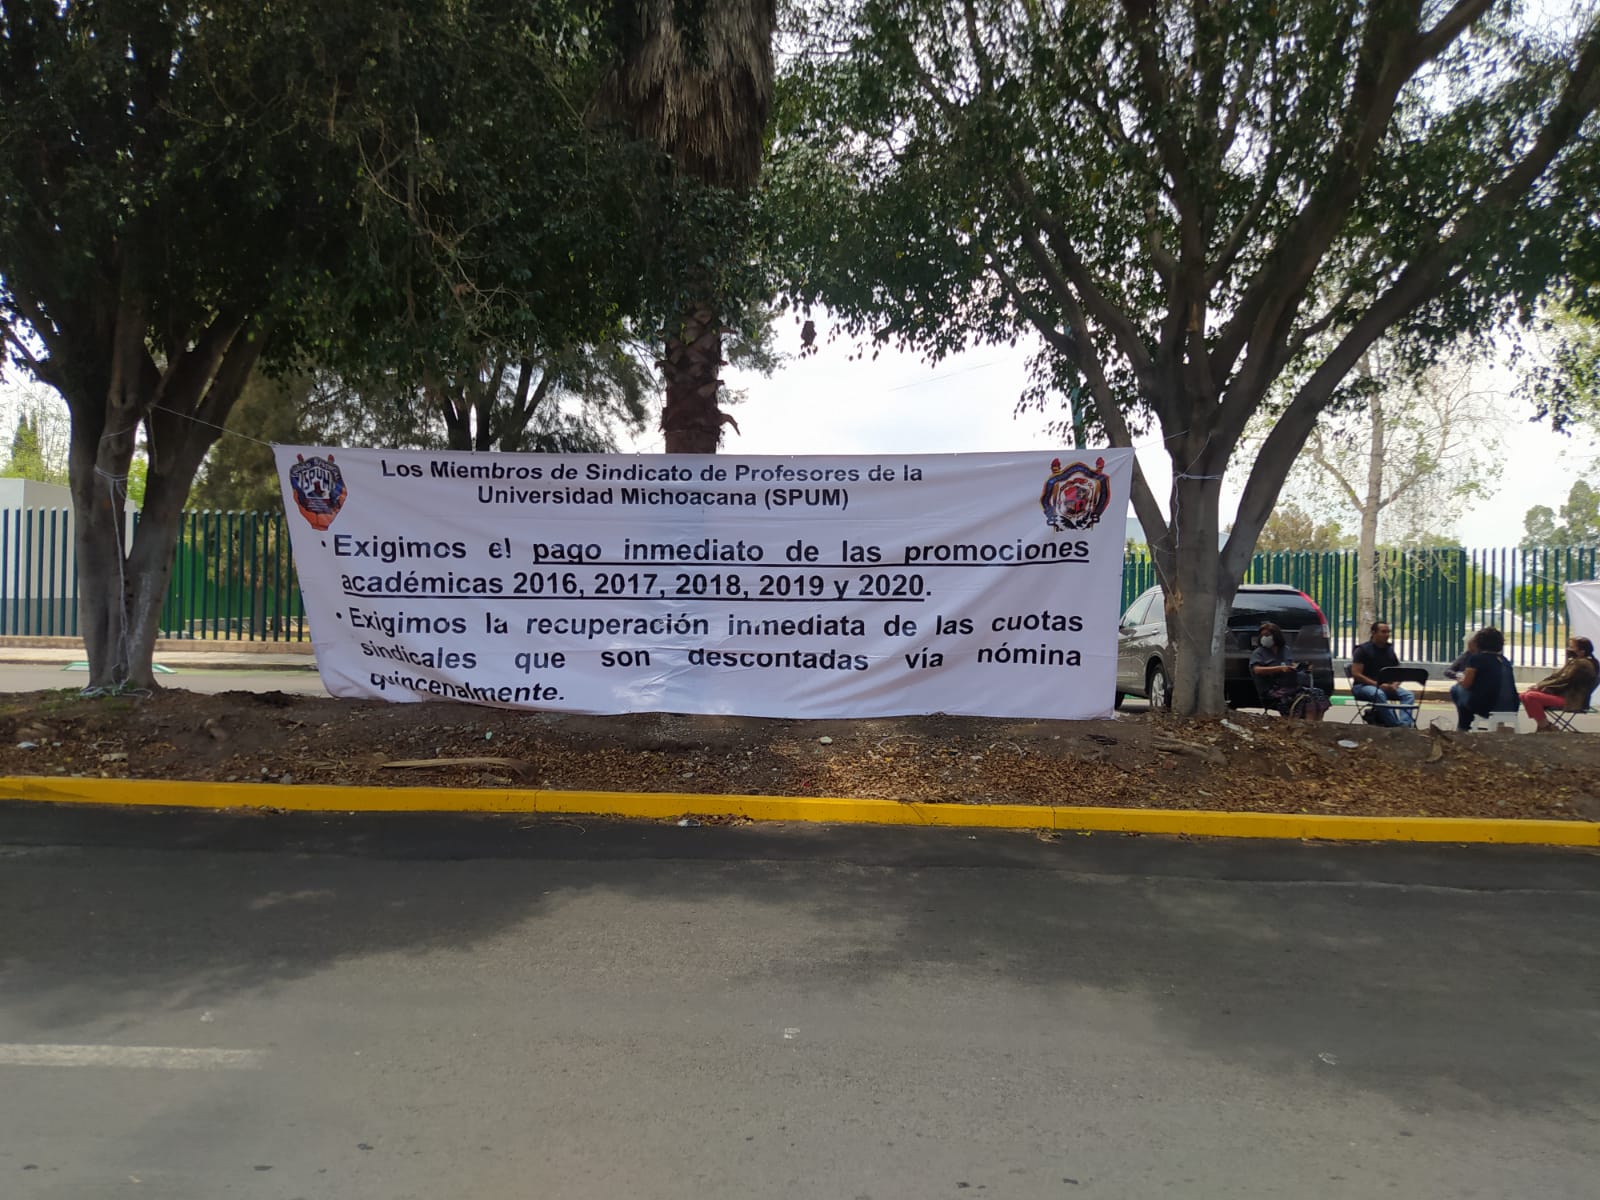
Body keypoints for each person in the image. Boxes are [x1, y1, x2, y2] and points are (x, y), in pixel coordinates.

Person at [1250, 621, 1330, 720]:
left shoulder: (1285, 650)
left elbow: (1291, 664)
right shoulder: (1259, 653)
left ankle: (1316, 724)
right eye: (1262, 636)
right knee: (1306, 701)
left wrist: (1302, 667)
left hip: (1292, 686)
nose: (1264, 638)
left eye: (1267, 635)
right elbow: (1257, 670)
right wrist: (1279, 669)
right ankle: (1304, 725)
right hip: (1274, 689)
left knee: (1317, 695)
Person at [1519, 636, 1599, 731]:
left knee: (1530, 696)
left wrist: (1541, 686)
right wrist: (1539, 685)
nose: (1568, 649)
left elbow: (1563, 680)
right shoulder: (1575, 661)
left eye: (1572, 647)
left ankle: (1544, 726)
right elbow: (1556, 676)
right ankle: (1545, 725)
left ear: (1582, 651)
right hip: (1563, 695)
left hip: (1571, 700)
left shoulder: (1582, 664)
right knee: (1524, 695)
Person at [1450, 627, 1519, 732]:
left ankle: (1463, 725)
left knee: (1456, 689)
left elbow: (1466, 683)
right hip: (1512, 706)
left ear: (1478, 643)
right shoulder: (1504, 660)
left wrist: (1460, 678)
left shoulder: (1476, 659)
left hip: (1485, 707)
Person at [1349, 621, 1416, 727]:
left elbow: (1398, 672)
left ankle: (1405, 724)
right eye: (1383, 632)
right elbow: (1356, 674)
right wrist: (1378, 685)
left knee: (1408, 695)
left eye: (1388, 632)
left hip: (1386, 686)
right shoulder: (1362, 650)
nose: (1387, 635)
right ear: (1373, 633)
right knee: (1379, 694)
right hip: (1363, 686)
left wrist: (1394, 685)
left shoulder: (1389, 650)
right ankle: (1394, 725)